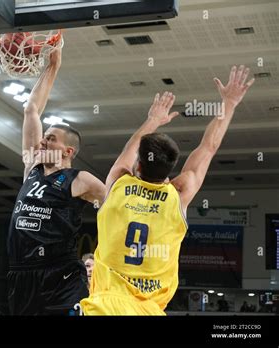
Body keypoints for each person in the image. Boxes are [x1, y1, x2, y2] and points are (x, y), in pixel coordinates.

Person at [81, 66, 254, 315]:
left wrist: (153, 120)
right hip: (150, 310)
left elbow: (130, 149)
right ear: (171, 170)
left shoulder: (119, 182)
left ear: (137, 164)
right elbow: (209, 147)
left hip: (106, 305)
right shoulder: (179, 193)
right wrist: (229, 103)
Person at [7, 43, 107, 315]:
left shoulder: (80, 179)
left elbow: (115, 201)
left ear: (68, 151)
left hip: (59, 275)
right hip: (21, 274)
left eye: (50, 138)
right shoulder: (32, 166)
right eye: (44, 136)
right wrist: (52, 66)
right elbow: (31, 111)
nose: (42, 141)